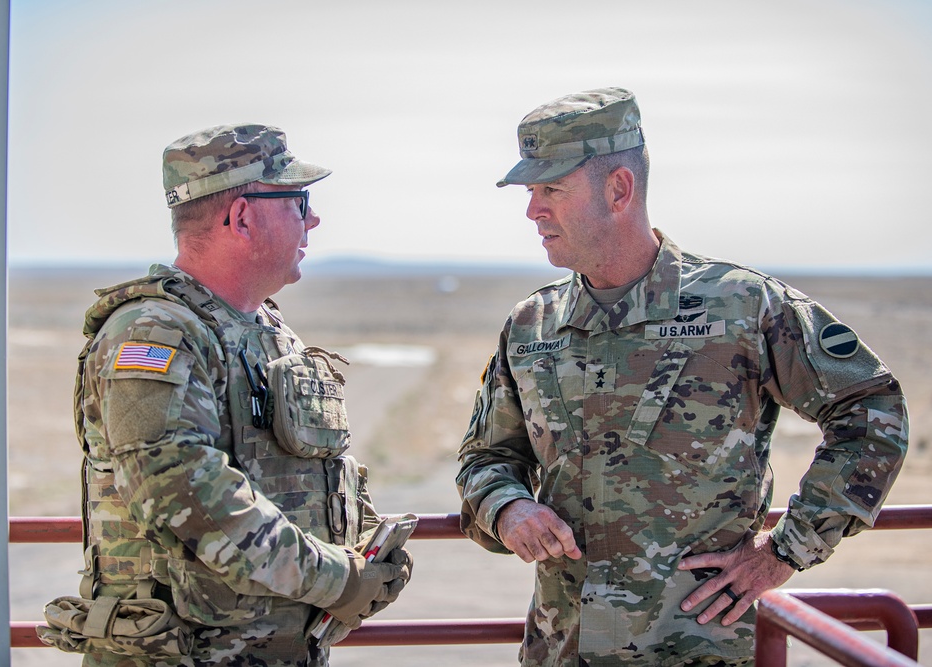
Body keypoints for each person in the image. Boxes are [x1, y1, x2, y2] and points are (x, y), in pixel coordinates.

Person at [455, 88, 908, 666]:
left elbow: (872, 410)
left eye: (552, 190)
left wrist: (786, 552)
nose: (533, 210)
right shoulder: (531, 324)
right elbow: (485, 459)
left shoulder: (742, 307)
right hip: (563, 647)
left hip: (697, 649)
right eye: (531, 192)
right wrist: (508, 508)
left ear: (619, 189)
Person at [68, 124, 412, 666]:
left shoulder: (266, 331)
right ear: (243, 217)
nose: (313, 219)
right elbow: (185, 495)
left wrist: (369, 548)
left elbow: (306, 469)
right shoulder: (154, 333)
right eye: (299, 202)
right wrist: (337, 579)